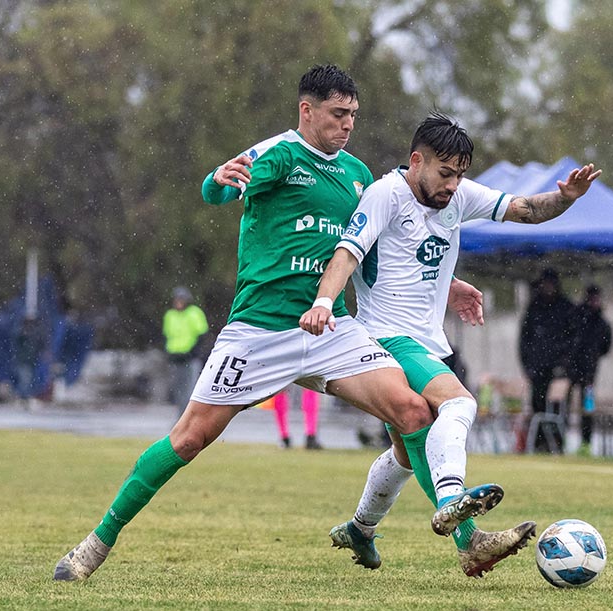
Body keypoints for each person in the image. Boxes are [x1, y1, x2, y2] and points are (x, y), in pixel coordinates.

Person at [53, 65, 499, 582]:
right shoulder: (280, 154)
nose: (347, 124)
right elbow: (223, 186)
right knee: (189, 439)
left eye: (353, 114)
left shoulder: (357, 174)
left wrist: (448, 286)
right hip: (262, 330)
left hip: (330, 327)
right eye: (337, 114)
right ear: (307, 110)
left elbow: (369, 250)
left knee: (412, 410)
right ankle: (95, 544)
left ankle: (469, 543)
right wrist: (216, 182)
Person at [301, 113, 602, 576]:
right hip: (386, 336)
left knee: (407, 449)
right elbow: (348, 252)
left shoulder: (457, 195)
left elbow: (524, 209)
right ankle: (457, 507)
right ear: (417, 160)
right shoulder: (385, 195)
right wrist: (324, 300)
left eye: (460, 174)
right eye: (445, 173)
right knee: (459, 404)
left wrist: (564, 199)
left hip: (424, 340)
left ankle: (361, 528)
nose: (453, 185)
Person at [519, 268, 576, 451]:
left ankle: (558, 441)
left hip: (560, 369)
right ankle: (540, 442)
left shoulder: (565, 308)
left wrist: (565, 364)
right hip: (538, 369)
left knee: (559, 406)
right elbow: (524, 340)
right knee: (538, 405)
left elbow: (573, 339)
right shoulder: (535, 308)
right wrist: (528, 366)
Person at [565, 284, 612, 455]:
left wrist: (594, 355)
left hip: (590, 373)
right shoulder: (576, 317)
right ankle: (561, 438)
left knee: (588, 408)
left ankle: (586, 441)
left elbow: (606, 344)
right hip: (571, 371)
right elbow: (568, 339)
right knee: (566, 405)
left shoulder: (601, 322)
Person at [162, 286, 209, 415]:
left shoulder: (194, 313)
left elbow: (202, 335)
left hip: (190, 357)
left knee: (190, 389)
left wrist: (194, 352)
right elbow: (167, 336)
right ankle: (181, 416)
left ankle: (190, 416)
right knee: (178, 390)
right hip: (176, 358)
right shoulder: (170, 315)